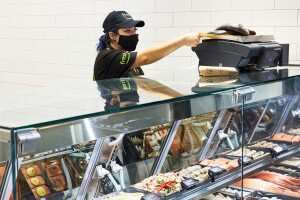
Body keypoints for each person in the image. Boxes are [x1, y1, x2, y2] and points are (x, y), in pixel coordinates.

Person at [94, 10, 201, 80]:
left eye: (134, 30)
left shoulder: (128, 58)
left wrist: (176, 98)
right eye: (127, 31)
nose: (133, 34)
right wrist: (183, 40)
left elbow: (146, 85)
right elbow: (145, 58)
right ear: (112, 35)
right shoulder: (107, 57)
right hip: (115, 114)